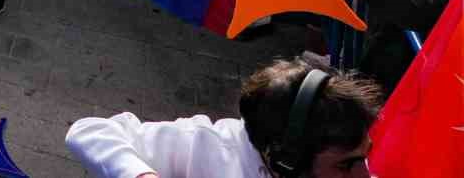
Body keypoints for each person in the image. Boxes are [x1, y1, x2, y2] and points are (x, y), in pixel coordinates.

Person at [66, 58, 383, 178]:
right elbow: (89, 131)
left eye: (364, 157)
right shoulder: (208, 145)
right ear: (287, 159)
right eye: (345, 166)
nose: (365, 176)